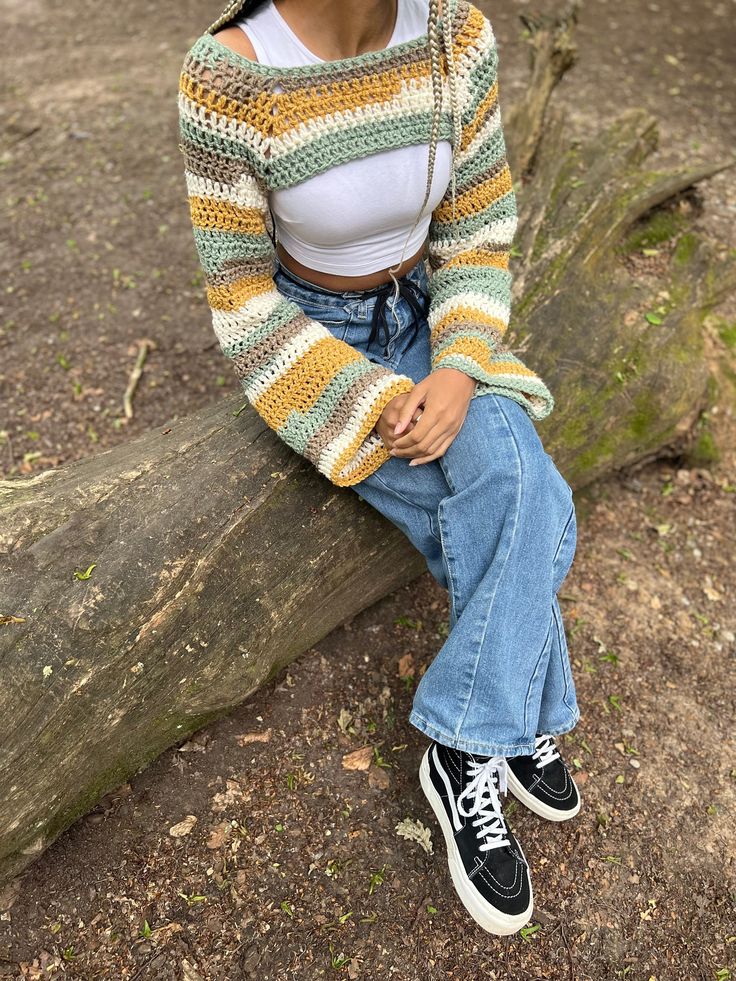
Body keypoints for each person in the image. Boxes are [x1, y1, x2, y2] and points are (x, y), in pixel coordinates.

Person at [177, 0, 582, 936]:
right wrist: (363, 401)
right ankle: (522, 709)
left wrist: (457, 361)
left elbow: (479, 225)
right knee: (513, 504)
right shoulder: (230, 75)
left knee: (520, 486)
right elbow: (238, 290)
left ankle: (462, 739)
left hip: (432, 316)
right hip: (311, 345)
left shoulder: (452, 33)